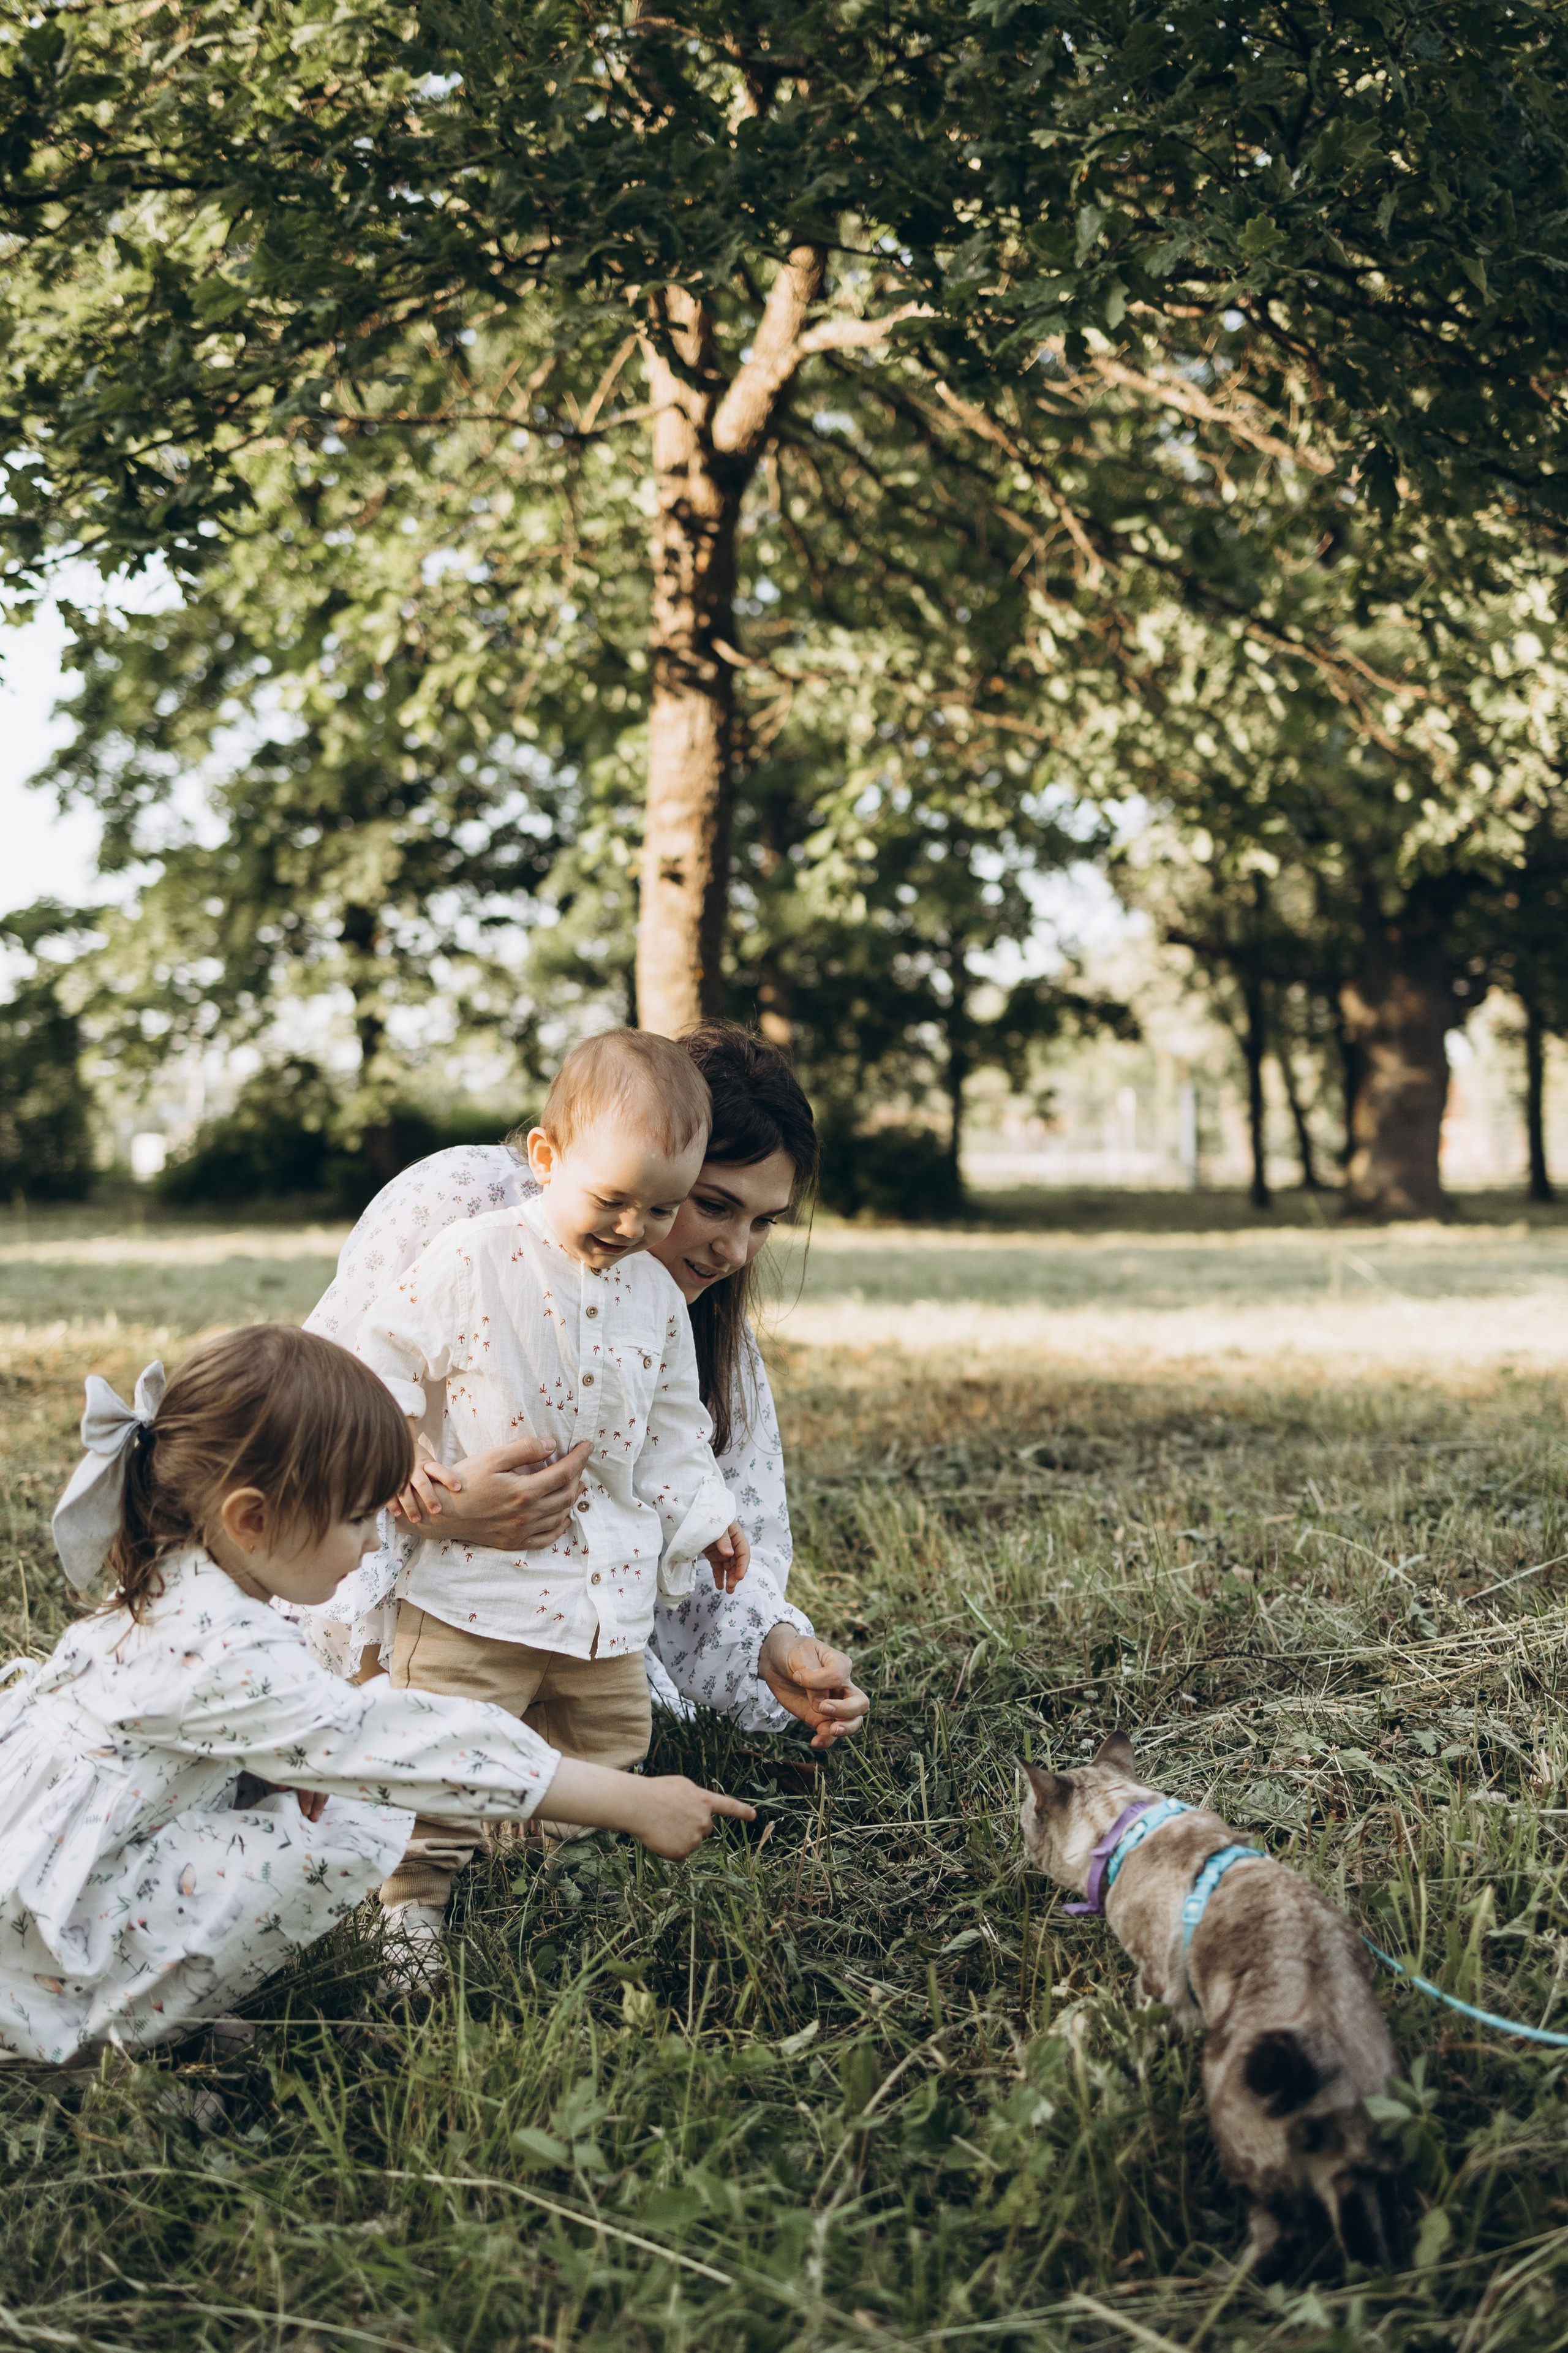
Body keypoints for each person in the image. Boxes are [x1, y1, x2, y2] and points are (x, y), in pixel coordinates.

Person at [0, 1328, 753, 2066]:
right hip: (43, 1933)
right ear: (251, 1519)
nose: (370, 1543)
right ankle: (83, 2038)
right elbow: (413, 1746)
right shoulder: (221, 1645)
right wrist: (635, 1801)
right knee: (346, 1823)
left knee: (313, 1794)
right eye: (358, 1517)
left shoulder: (173, 1580)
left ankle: (128, 1996)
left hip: (47, 1877)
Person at [301, 1022, 869, 1752]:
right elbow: (318, 1409)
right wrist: (428, 1508)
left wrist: (775, 1644)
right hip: (409, 1600)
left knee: (602, 1752)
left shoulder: (692, 1319)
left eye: (764, 1222)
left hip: (575, 1633)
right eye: (712, 1204)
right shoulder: (464, 1213)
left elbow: (704, 1515)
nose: (734, 1251)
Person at [354, 1030, 756, 1938]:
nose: (633, 1228)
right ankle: (412, 1897)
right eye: (612, 1199)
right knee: (441, 1747)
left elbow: (673, 1428)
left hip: (598, 1593)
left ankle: (544, 1866)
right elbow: (383, 1353)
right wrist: (399, 1442)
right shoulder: (474, 1257)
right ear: (546, 1157)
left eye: (660, 1210)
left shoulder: (655, 1297)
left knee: (610, 1741)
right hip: (473, 1591)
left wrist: (708, 1516)